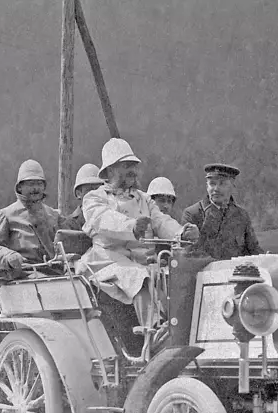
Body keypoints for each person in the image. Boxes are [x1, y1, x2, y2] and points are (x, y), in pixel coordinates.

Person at [79, 138, 200, 327]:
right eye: (126, 165)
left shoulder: (144, 199)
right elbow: (103, 219)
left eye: (134, 165)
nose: (133, 170)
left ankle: (182, 329)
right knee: (140, 278)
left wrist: (181, 233)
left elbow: (162, 221)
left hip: (142, 263)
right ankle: (152, 332)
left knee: (177, 278)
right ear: (110, 170)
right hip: (107, 262)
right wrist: (132, 226)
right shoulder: (94, 198)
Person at [0, 159, 64, 281]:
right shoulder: (5, 215)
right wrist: (9, 256)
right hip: (23, 277)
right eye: (30, 184)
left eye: (39, 183)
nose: (35, 188)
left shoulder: (54, 215)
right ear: (20, 187)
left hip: (58, 275)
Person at [182, 163, 262, 259]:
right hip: (205, 272)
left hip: (235, 272)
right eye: (212, 184)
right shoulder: (193, 214)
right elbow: (189, 255)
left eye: (222, 184)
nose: (216, 189)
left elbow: (253, 250)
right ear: (207, 186)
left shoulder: (242, 216)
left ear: (232, 186)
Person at [64, 163, 105, 233]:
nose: (94, 193)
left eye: (98, 189)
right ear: (78, 194)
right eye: (90, 189)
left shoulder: (109, 218)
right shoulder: (70, 224)